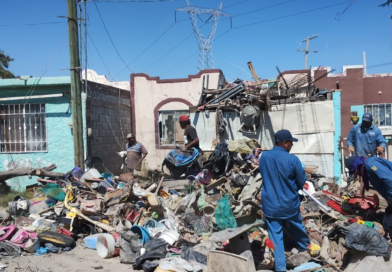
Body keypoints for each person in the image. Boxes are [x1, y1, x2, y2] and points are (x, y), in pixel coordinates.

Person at [259, 129, 310, 272]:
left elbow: (263, 175)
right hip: (290, 203)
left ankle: (280, 268)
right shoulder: (292, 159)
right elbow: (301, 181)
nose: (291, 145)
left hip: (271, 204)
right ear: (284, 143)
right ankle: (306, 248)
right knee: (298, 226)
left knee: (276, 236)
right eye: (290, 143)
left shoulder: (264, 156)